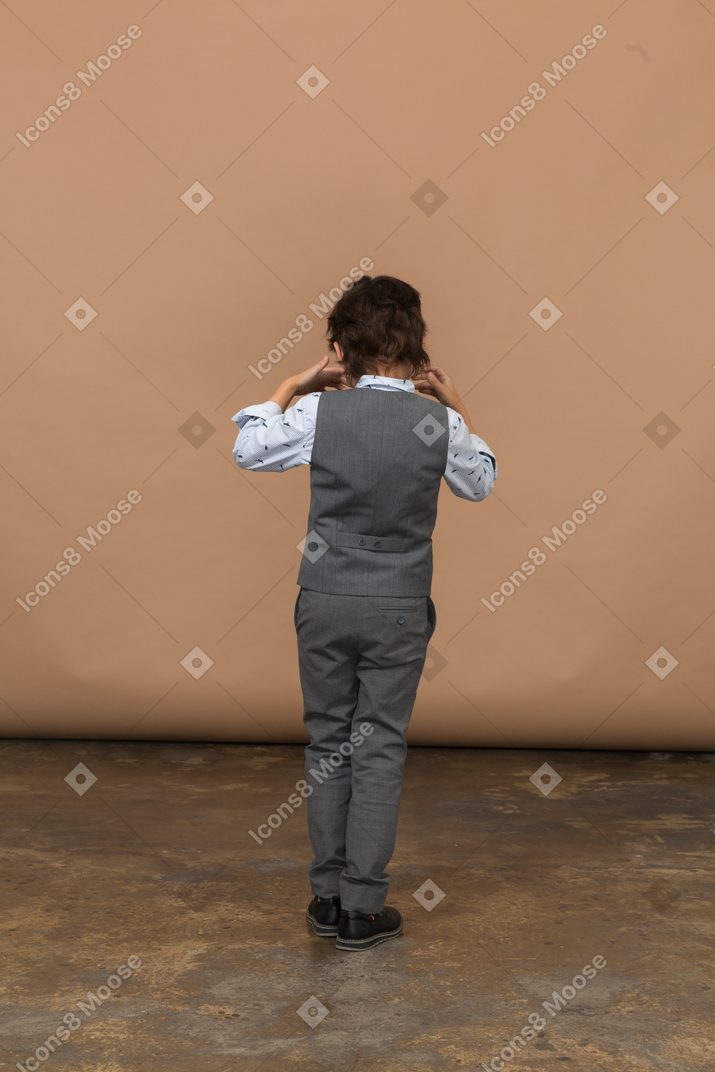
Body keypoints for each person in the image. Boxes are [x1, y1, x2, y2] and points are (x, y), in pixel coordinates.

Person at [232, 275, 497, 951]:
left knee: (327, 742)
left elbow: (247, 450)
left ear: (340, 347)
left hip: (323, 596)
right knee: (377, 747)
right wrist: (457, 405)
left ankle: (325, 898)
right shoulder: (437, 420)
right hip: (399, 604)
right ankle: (361, 909)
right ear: (413, 343)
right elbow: (480, 484)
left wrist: (292, 387)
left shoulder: (322, 414)